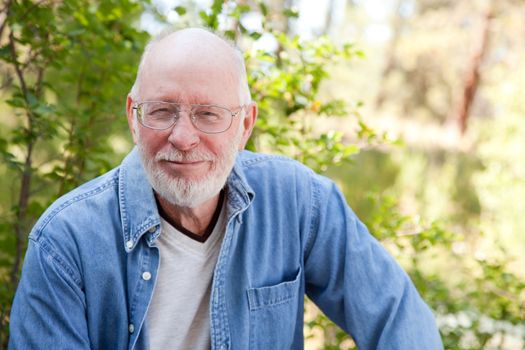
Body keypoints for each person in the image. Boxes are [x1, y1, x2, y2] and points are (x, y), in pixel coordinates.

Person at [9, 27, 443, 349]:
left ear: (245, 124)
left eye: (209, 114)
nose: (182, 137)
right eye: (161, 111)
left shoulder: (297, 202)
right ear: (132, 116)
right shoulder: (64, 242)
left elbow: (398, 320)